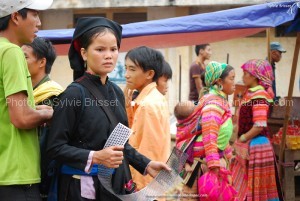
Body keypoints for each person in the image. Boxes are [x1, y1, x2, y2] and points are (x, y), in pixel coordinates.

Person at [46, 17, 170, 201]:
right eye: (100, 49)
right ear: (84, 53)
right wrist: (95, 156)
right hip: (81, 188)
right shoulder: (74, 94)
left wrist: (147, 164)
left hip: (114, 187)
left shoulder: (116, 93)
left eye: (113, 49)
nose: (109, 55)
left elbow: (121, 144)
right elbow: (54, 148)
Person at [0, 1, 54, 200]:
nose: (38, 22)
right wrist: (48, 113)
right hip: (15, 176)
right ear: (15, 16)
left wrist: (33, 110)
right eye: (35, 14)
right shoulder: (12, 52)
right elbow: (21, 118)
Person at [176, 61, 236, 200]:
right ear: (219, 81)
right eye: (231, 79)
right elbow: (210, 136)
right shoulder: (214, 104)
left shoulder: (220, 101)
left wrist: (228, 155)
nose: (234, 83)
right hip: (200, 164)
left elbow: (221, 135)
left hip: (207, 159)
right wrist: (214, 166)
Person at [231, 59, 283, 200]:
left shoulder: (259, 95)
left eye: (245, 73)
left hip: (257, 147)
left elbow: (259, 125)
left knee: (256, 191)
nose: (242, 76)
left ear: (254, 76)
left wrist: (242, 138)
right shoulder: (250, 93)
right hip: (250, 145)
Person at [22, 37, 64, 200]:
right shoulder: (24, 92)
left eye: (24, 57)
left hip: (39, 178)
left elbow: (46, 143)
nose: (19, 61)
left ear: (41, 62)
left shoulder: (53, 95)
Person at [125, 46, 171, 190]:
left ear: (149, 73)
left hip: (146, 185)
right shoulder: (153, 98)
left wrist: (139, 187)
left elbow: (148, 151)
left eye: (132, 69)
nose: (126, 74)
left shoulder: (147, 105)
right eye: (126, 68)